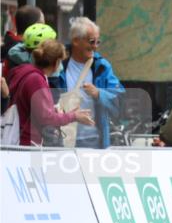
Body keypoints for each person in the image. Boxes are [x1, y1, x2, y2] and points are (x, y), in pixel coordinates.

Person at [48, 17, 124, 149]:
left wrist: (99, 94)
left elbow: (120, 98)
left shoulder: (102, 66)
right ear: (76, 41)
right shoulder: (57, 64)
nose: (95, 46)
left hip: (93, 140)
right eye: (91, 41)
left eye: (97, 42)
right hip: (61, 139)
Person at [7, 40, 93, 145]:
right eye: (61, 61)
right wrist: (74, 116)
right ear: (56, 62)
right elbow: (46, 118)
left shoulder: (27, 72)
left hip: (21, 138)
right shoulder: (36, 80)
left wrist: (60, 113)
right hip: (27, 142)